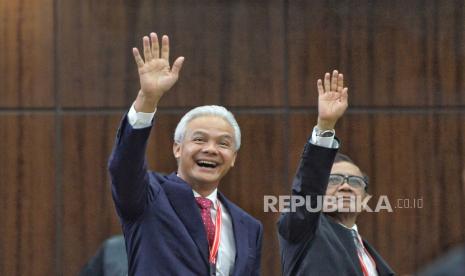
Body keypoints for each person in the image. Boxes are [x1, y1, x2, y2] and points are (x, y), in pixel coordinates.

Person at [108, 32, 263, 276]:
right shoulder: (148, 197)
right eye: (199, 139)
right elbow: (123, 166)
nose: (210, 149)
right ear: (177, 148)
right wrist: (148, 100)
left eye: (223, 144)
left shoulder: (249, 227)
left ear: (233, 158)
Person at [277, 70, 394, 275]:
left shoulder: (372, 256)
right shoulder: (303, 232)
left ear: (366, 198)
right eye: (335, 180)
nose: (346, 186)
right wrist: (325, 127)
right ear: (320, 188)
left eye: (355, 182)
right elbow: (307, 189)